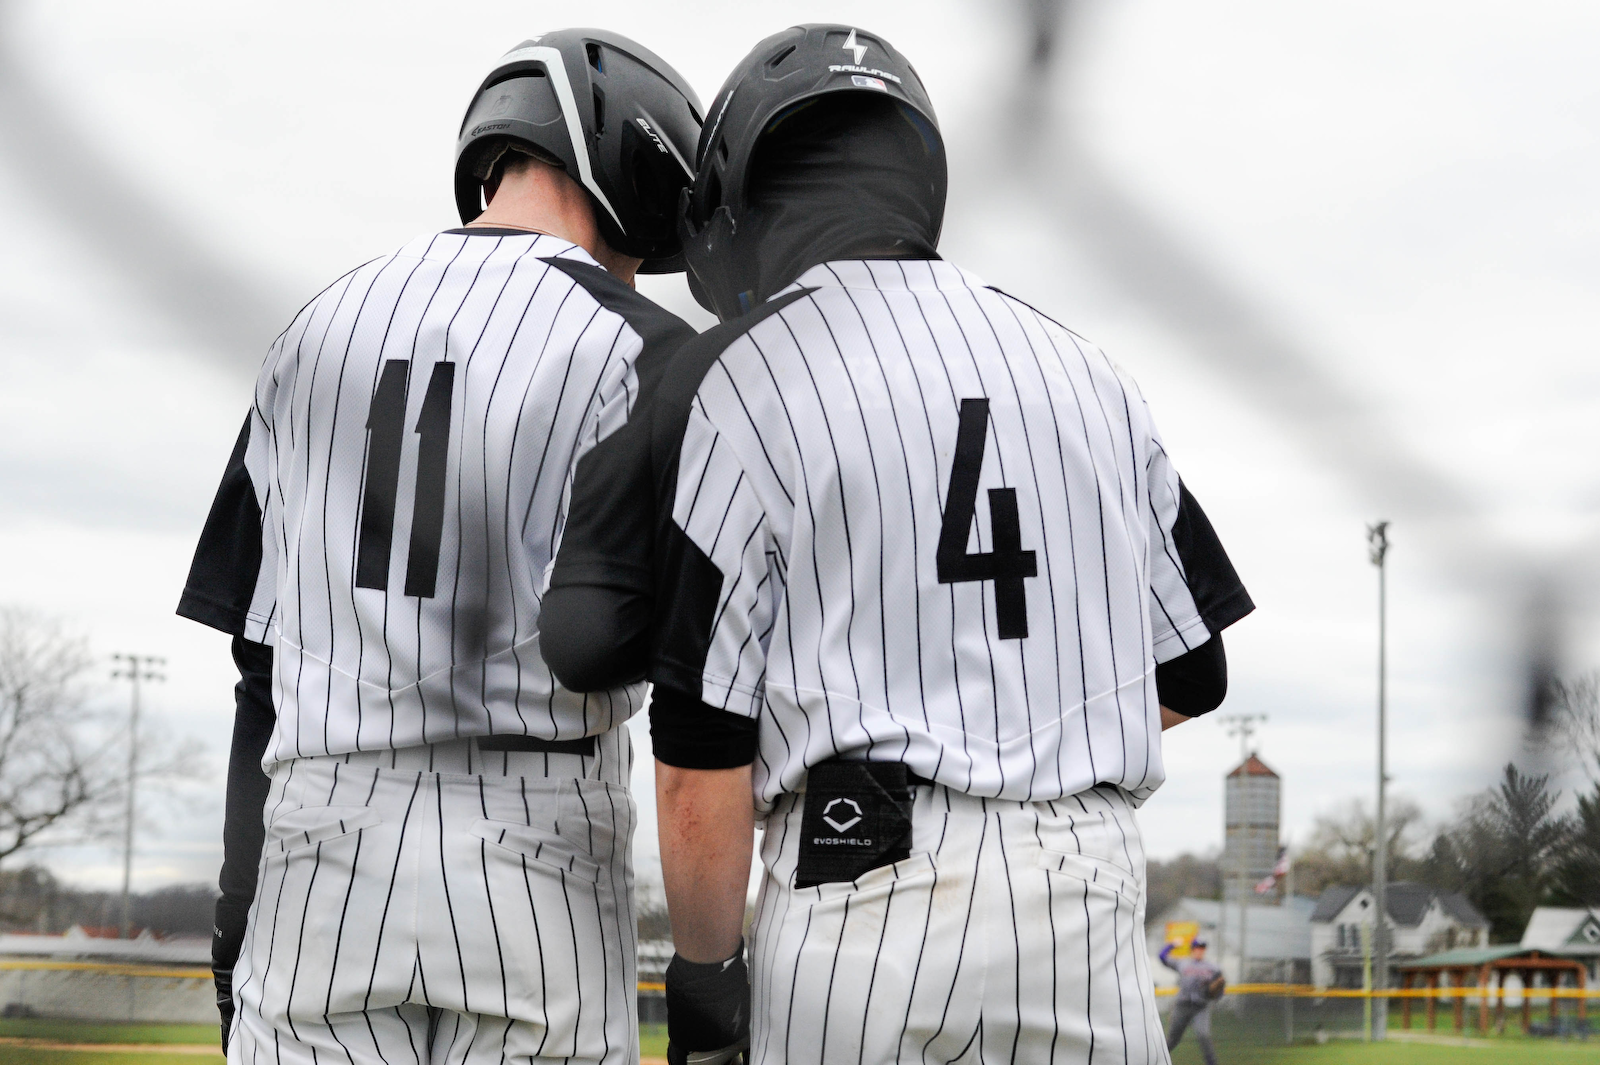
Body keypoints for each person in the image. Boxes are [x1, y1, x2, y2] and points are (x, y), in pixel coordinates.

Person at [542, 23, 1253, 1065]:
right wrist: (1021, 735)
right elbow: (1195, 665)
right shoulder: (1088, 372)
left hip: (859, 890)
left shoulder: (743, 375)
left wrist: (705, 987)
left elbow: (701, 757)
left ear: (740, 197)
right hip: (1085, 894)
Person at [176, 30, 700, 1065]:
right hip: (535, 829)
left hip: (320, 827)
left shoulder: (313, 331)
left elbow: (258, 667)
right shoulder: (644, 346)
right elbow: (695, 680)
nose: (642, 264)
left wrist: (237, 917)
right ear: (629, 170)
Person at [1160, 938, 1224, 1065]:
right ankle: (1155, 1060)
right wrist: (1172, 945)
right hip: (1182, 1006)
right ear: (1192, 950)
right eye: (1197, 948)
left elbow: (1220, 986)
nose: (1199, 950)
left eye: (1202, 948)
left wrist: (1217, 996)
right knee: (1173, 1039)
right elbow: (1162, 957)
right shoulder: (1183, 963)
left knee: (1203, 1035)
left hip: (1201, 1006)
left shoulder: (1213, 968)